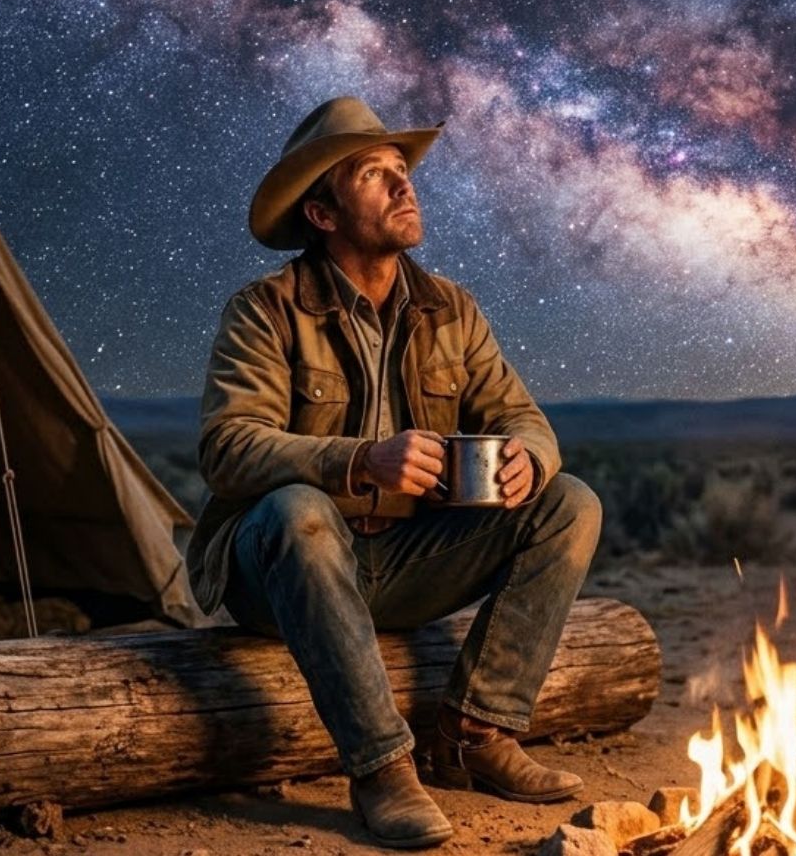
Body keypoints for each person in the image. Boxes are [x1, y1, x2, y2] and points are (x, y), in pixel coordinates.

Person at [189, 96, 603, 848]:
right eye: (374, 175)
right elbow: (227, 447)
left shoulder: (451, 309)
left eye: (401, 170)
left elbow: (523, 418)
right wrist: (359, 461)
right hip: (283, 570)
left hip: (410, 561)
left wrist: (529, 458)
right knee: (298, 512)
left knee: (569, 502)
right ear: (323, 214)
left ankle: (475, 735)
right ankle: (382, 769)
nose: (403, 184)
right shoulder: (265, 311)